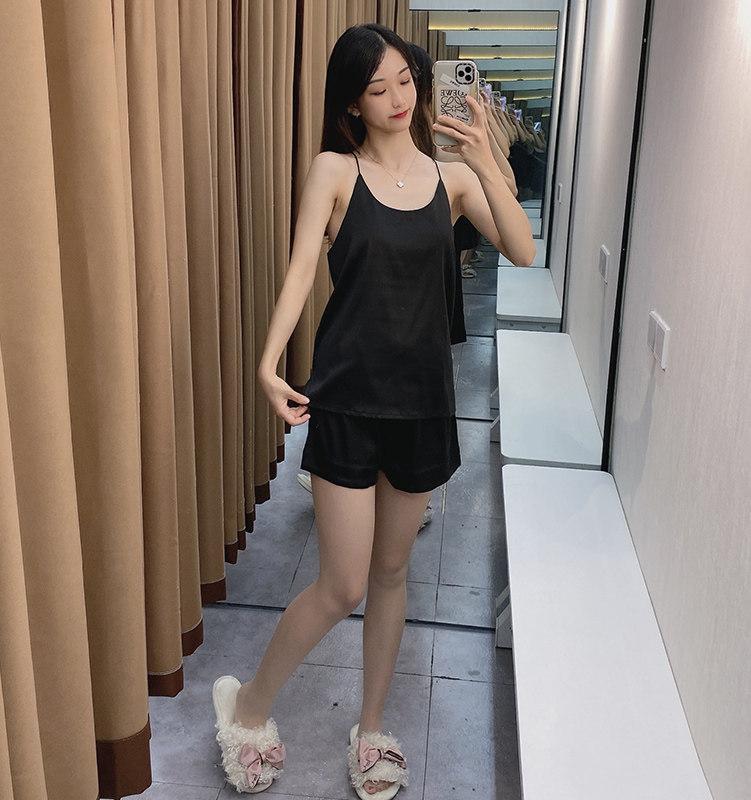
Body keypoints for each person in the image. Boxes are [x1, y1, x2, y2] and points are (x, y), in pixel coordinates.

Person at [212, 23, 535, 798]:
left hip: (423, 406)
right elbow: (300, 272)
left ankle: (372, 728)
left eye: (405, 81)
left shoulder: (451, 181)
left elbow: (523, 250)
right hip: (350, 399)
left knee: (393, 574)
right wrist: (267, 362)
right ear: (352, 102)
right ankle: (247, 708)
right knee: (343, 585)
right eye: (377, 87)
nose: (397, 98)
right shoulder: (335, 170)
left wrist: (485, 157)